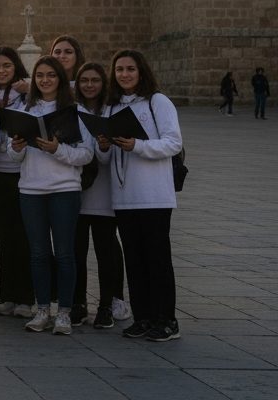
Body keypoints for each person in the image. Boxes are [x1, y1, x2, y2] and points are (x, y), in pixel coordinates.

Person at [97, 49, 183, 342]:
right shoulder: (111, 107)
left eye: (130, 69)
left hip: (154, 196)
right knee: (134, 260)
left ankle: (167, 320)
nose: (124, 74)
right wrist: (105, 146)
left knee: (157, 259)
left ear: (141, 71)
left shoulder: (157, 101)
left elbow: (173, 143)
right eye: (119, 69)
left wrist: (138, 146)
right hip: (124, 197)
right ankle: (143, 317)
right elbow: (106, 159)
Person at [7, 57, 93, 335]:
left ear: (59, 78)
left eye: (50, 75)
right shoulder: (24, 108)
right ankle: (42, 308)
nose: (45, 80)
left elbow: (86, 154)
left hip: (64, 190)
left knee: (65, 253)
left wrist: (57, 149)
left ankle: (64, 312)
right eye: (40, 76)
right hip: (31, 190)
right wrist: (17, 146)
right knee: (38, 254)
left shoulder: (75, 111)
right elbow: (13, 155)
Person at [73, 61, 125, 329]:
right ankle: (78, 303)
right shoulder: (71, 110)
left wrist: (104, 147)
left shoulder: (112, 111)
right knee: (77, 252)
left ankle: (106, 304)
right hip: (78, 192)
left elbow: (108, 156)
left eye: (94, 80)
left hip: (104, 193)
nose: (89, 85)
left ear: (103, 83)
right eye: (84, 81)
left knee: (106, 252)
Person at [0, 46, 33, 318]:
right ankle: (8, 296)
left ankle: (26, 297)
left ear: (16, 69)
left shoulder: (27, 96)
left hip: (22, 174)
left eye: (6, 66)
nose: (1, 71)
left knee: (22, 235)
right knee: (4, 236)